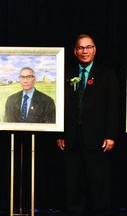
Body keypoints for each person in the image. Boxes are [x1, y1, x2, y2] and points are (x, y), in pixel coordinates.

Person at [56, 34, 119, 216]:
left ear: (95, 50)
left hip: (98, 138)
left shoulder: (107, 75)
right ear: (75, 51)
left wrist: (111, 135)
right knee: (72, 182)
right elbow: (60, 106)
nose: (85, 51)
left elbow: (113, 108)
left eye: (88, 47)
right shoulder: (66, 74)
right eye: (81, 48)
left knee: (97, 181)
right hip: (71, 138)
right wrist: (59, 134)